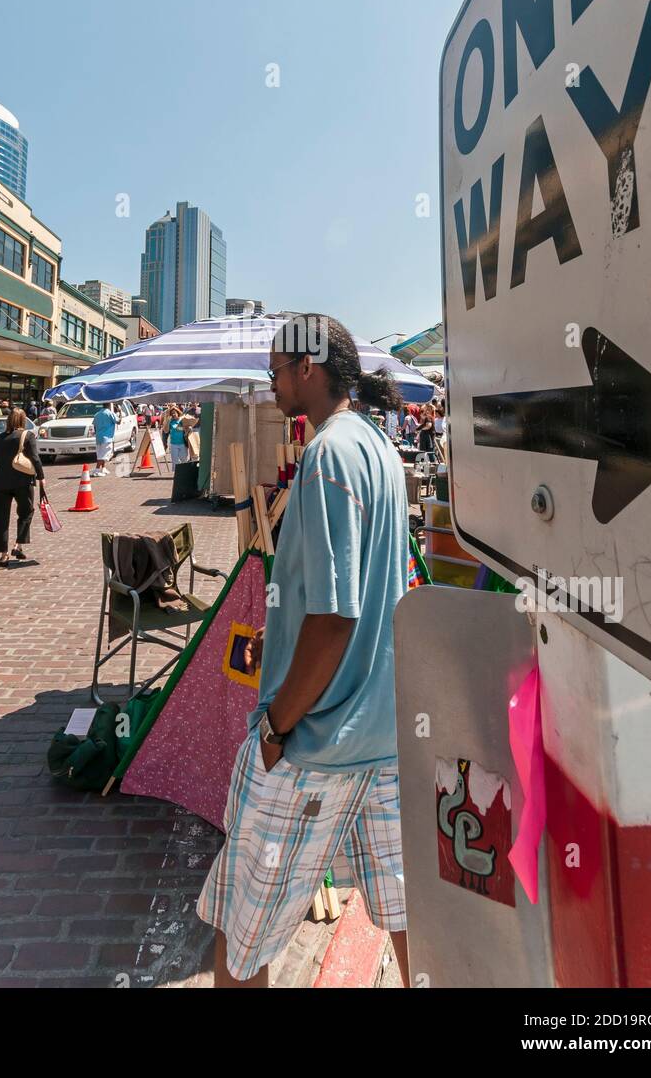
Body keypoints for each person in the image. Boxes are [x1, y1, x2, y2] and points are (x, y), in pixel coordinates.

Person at [197, 313, 410, 989]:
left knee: (243, 937)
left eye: (275, 372)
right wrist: (283, 632)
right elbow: (362, 591)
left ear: (307, 370)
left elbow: (336, 616)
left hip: (316, 740)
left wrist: (279, 723)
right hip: (381, 729)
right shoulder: (376, 447)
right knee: (412, 922)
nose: (271, 385)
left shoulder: (327, 457)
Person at [0, 408, 45, 566]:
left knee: (0, 519)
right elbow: (35, 458)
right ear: (23, 420)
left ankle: (3, 555)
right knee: (26, 512)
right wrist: (41, 477)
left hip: (0, 482)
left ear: (8, 421)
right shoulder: (27, 436)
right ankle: (18, 544)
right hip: (23, 481)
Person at [92, 402, 117, 477]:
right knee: (103, 455)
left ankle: (103, 468)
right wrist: (120, 413)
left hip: (99, 437)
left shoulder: (97, 414)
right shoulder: (110, 413)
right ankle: (96, 470)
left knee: (100, 453)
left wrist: (97, 434)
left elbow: (94, 426)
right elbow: (118, 421)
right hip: (107, 437)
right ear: (109, 405)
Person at [167, 405, 188, 469]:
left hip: (182, 444)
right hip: (173, 444)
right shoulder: (170, 421)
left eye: (174, 413)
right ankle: (177, 475)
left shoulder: (182, 420)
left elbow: (187, 428)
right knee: (175, 461)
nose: (173, 414)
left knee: (184, 460)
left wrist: (188, 428)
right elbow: (165, 431)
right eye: (172, 413)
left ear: (177, 413)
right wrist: (167, 421)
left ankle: (184, 474)